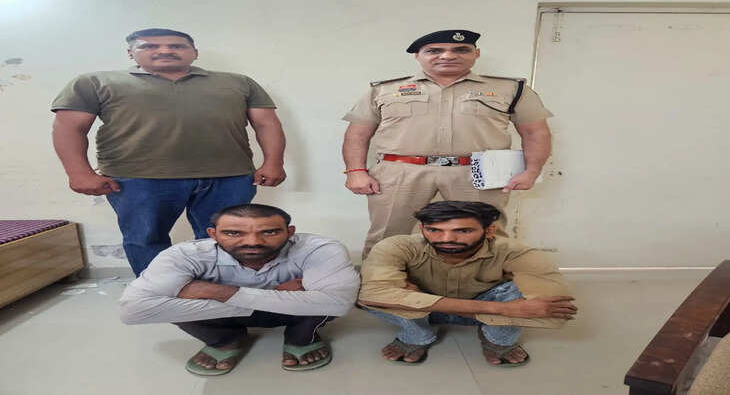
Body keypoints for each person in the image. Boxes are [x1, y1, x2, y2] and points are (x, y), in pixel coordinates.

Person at [51, 28, 287, 276]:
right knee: (145, 238)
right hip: (138, 178)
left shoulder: (239, 83)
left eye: (176, 46)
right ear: (131, 53)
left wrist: (274, 163)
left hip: (229, 176)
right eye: (149, 46)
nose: (165, 51)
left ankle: (221, 288)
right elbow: (69, 128)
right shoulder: (95, 82)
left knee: (227, 238)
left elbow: (267, 124)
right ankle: (157, 290)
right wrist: (79, 173)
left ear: (194, 52)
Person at [342, 29, 553, 258]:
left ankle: (484, 280)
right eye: (434, 51)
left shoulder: (511, 89)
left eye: (461, 50)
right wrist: (355, 171)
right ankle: (379, 280)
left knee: (485, 236)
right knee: (388, 236)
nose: (448, 56)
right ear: (417, 56)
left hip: (477, 172)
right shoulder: (384, 90)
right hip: (400, 172)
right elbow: (357, 134)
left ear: (476, 53)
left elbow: (535, 133)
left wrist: (532, 171)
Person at [119, 203, 360, 375]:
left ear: (290, 232)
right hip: (264, 309)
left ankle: (301, 339)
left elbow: (338, 304)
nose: (253, 242)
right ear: (213, 234)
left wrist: (217, 291)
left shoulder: (320, 248)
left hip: (280, 313)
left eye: (269, 232)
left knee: (325, 303)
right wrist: (278, 294)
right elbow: (134, 312)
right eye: (234, 233)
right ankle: (225, 340)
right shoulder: (184, 255)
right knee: (175, 308)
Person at [358, 201, 576, 366]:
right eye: (434, 230)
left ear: (489, 231)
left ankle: (496, 340)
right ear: (422, 229)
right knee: (369, 294)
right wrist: (503, 309)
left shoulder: (516, 251)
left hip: (425, 306)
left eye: (463, 231)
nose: (446, 239)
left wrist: (411, 299)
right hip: (469, 309)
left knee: (527, 296)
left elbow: (553, 313)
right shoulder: (397, 246)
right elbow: (371, 297)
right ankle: (416, 336)